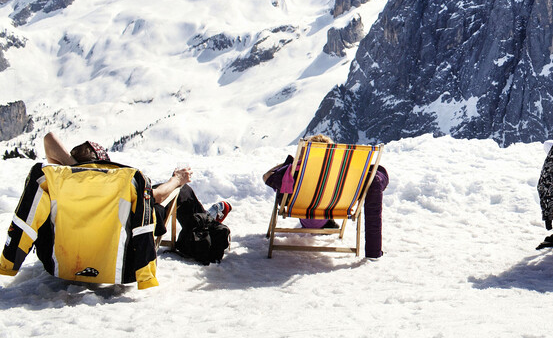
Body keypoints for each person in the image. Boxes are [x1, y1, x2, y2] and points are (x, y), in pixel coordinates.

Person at [43, 132, 230, 235]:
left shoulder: (65, 186)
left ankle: (203, 218)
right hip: (128, 229)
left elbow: (49, 139)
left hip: (79, 240)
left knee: (155, 190)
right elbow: (156, 198)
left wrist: (76, 170)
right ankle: (206, 222)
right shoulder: (117, 184)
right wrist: (177, 180)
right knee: (180, 191)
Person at [263, 134, 388, 260]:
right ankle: (328, 222)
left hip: (301, 209)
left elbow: (267, 176)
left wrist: (290, 163)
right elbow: (380, 177)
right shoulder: (346, 173)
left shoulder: (292, 172)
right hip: (334, 209)